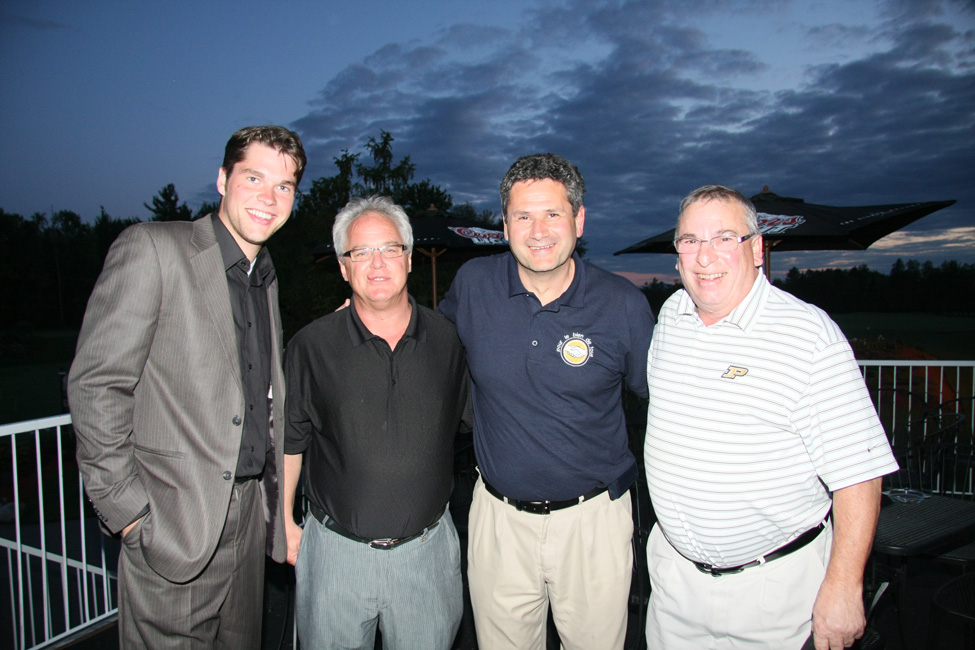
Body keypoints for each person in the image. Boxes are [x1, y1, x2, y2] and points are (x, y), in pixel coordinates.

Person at [68, 125, 306, 649]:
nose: (269, 198)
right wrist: (128, 513)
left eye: (284, 186)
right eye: (254, 177)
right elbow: (96, 383)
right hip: (174, 523)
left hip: (248, 521)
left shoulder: (262, 274)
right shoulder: (153, 248)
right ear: (222, 179)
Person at [643, 185, 899, 650]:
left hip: (774, 594)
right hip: (675, 587)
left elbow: (859, 474)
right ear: (676, 255)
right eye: (690, 241)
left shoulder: (807, 334)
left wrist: (844, 587)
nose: (705, 257)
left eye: (724, 238)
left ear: (757, 249)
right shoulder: (671, 317)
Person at [438, 153, 655, 650]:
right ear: (505, 224)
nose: (538, 230)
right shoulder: (473, 286)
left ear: (579, 219)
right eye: (523, 216)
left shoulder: (621, 304)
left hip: (593, 524)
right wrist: (365, 313)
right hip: (497, 521)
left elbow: (667, 402)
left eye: (553, 214)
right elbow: (425, 346)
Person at [282, 195, 471, 650]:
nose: (377, 263)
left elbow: (471, 422)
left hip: (427, 556)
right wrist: (284, 525)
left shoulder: (448, 340)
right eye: (360, 252)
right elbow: (290, 439)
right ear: (344, 268)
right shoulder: (311, 346)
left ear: (407, 258)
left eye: (388, 248)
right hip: (335, 558)